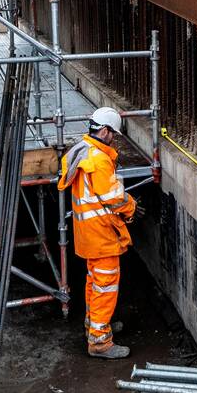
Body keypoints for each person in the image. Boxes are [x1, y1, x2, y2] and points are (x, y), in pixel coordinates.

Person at [57, 106, 136, 359]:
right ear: (104, 131)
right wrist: (131, 206)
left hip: (88, 233)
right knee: (105, 286)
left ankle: (95, 326)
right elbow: (113, 197)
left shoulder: (82, 151)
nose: (114, 138)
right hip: (102, 234)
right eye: (113, 133)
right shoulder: (99, 160)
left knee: (94, 281)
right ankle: (100, 342)